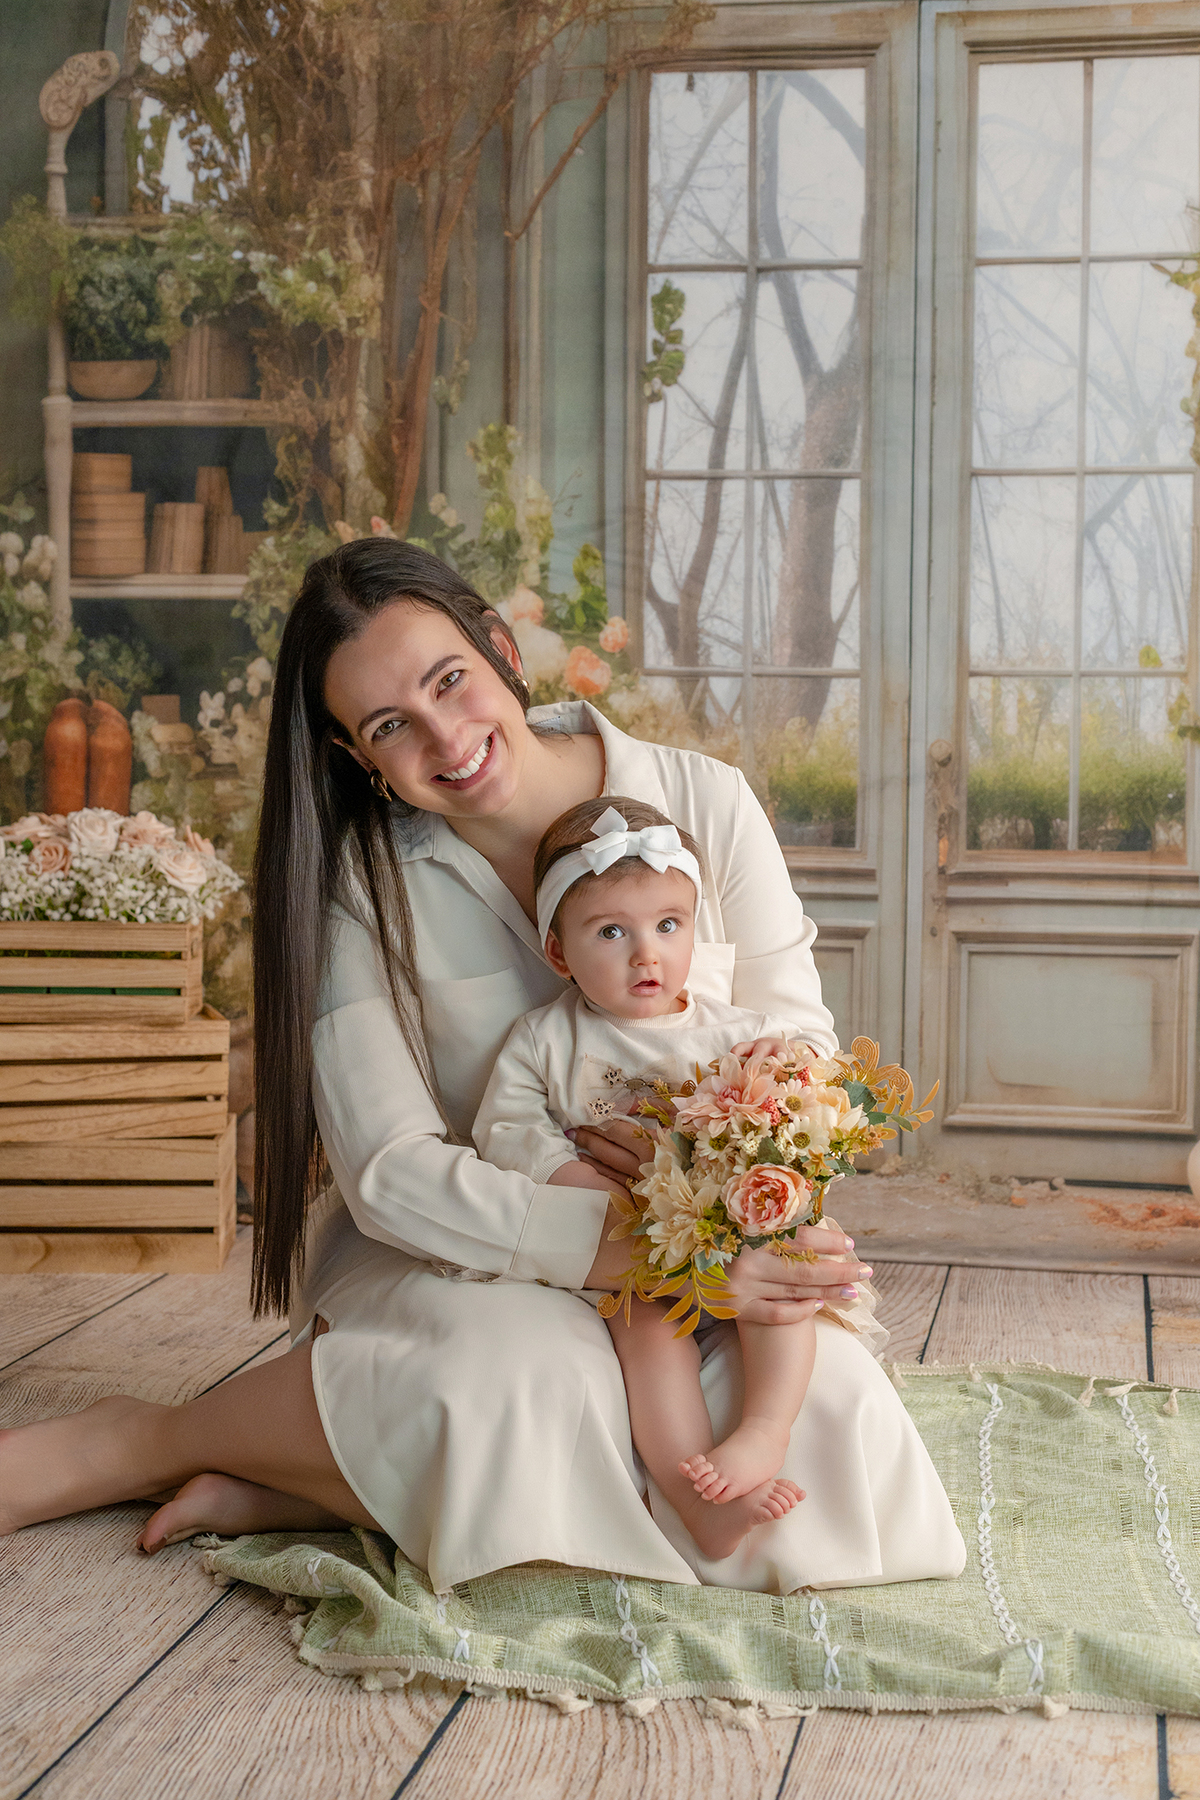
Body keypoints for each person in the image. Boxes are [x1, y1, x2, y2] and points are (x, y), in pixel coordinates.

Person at [0, 539, 965, 1599]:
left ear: (500, 650)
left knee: (830, 1438)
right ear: (354, 753)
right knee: (520, 1380)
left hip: (716, 1250)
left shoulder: (705, 802)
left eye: (449, 680)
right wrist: (626, 1249)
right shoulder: (364, 884)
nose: (445, 739)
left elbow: (802, 1063)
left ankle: (317, 1487)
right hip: (460, 1253)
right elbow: (390, 1171)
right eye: (388, 728)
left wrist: (723, 1219)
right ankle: (146, 1439)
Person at [473, 794, 888, 1563]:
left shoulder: (737, 1031)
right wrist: (578, 1182)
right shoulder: (545, 1039)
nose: (647, 955)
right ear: (560, 953)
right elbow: (506, 1131)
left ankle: (764, 1431)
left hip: (731, 1235)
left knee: (792, 1265)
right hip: (632, 1254)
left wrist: (786, 1072)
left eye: (669, 925)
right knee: (646, 1333)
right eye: (611, 932)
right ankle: (700, 1504)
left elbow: (795, 1106)